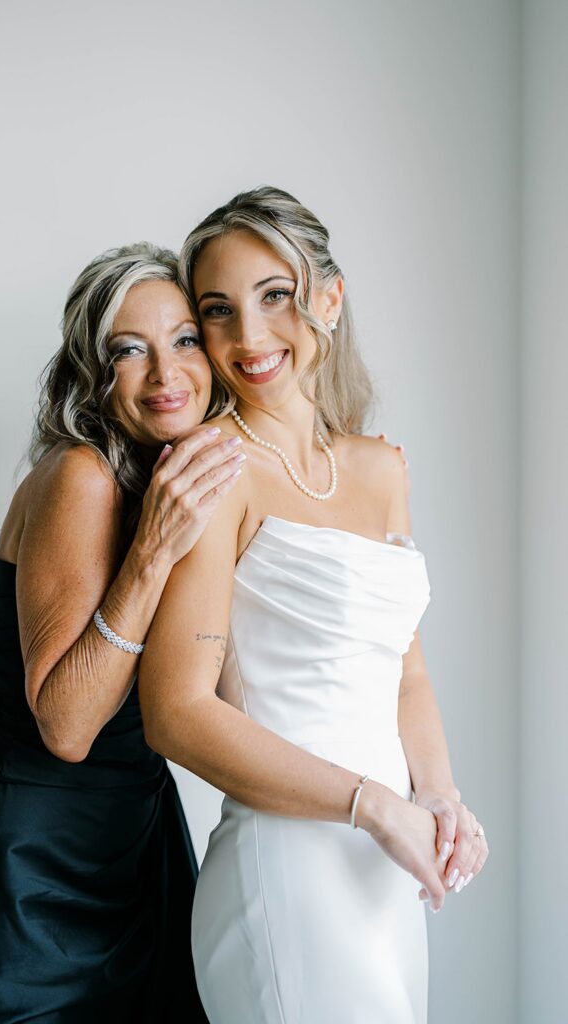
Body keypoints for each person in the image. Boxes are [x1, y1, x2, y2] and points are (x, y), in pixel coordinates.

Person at [138, 187, 490, 1023]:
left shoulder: (380, 467)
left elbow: (403, 673)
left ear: (327, 299)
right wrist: (373, 805)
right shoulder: (212, 469)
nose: (249, 337)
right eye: (217, 311)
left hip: (388, 872)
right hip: (287, 868)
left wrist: (437, 795)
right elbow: (176, 713)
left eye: (275, 296)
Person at [0, 243, 246, 1023]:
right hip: (28, 862)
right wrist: (151, 552)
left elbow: (220, 693)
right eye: (130, 350)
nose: (166, 374)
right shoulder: (81, 476)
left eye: (184, 340)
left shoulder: (184, 480)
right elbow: (67, 727)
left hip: (135, 844)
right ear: (93, 369)